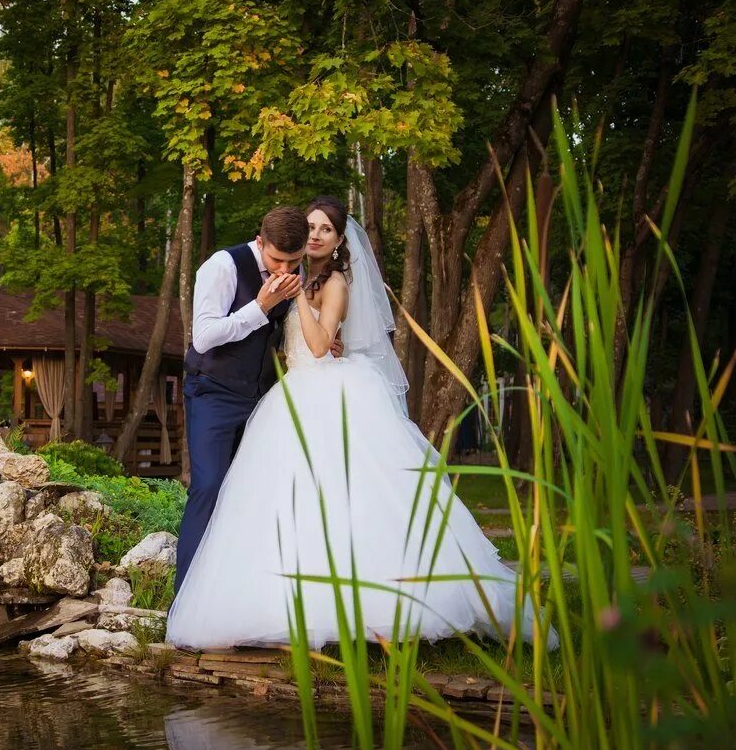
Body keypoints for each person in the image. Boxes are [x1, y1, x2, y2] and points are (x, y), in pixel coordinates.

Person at [167, 196, 553, 651]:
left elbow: (314, 344)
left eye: (325, 230)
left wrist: (302, 315)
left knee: (340, 498)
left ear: (338, 240)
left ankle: (360, 604)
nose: (314, 236)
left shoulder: (331, 285)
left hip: (314, 394)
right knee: (244, 496)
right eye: (309, 227)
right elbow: (242, 335)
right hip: (260, 394)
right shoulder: (253, 271)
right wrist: (277, 307)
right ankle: (209, 600)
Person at [175, 206, 310, 593]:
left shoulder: (293, 273)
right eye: (277, 260)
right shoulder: (223, 266)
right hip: (212, 392)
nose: (285, 270)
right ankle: (185, 600)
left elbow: (278, 335)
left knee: (252, 495)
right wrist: (260, 307)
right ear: (259, 241)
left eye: (294, 261)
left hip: (261, 399)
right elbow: (204, 336)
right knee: (209, 486)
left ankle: (235, 598)